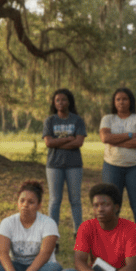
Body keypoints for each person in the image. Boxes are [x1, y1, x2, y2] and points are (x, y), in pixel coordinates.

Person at [99, 87, 136, 256]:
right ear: (114, 102)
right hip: (112, 166)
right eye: (118, 99)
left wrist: (117, 140)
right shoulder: (108, 119)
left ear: (131, 101)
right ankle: (110, 242)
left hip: (135, 167)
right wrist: (130, 135)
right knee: (111, 206)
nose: (121, 102)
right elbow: (105, 138)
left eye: (125, 99)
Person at [43, 88, 86, 242]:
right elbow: (48, 142)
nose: (61, 103)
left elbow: (79, 142)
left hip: (74, 165)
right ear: (54, 103)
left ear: (69, 102)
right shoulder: (50, 121)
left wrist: (58, 142)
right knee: (55, 201)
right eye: (57, 100)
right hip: (54, 165)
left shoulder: (77, 120)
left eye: (64, 100)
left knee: (75, 200)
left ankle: (79, 234)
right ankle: (53, 237)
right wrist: (69, 139)